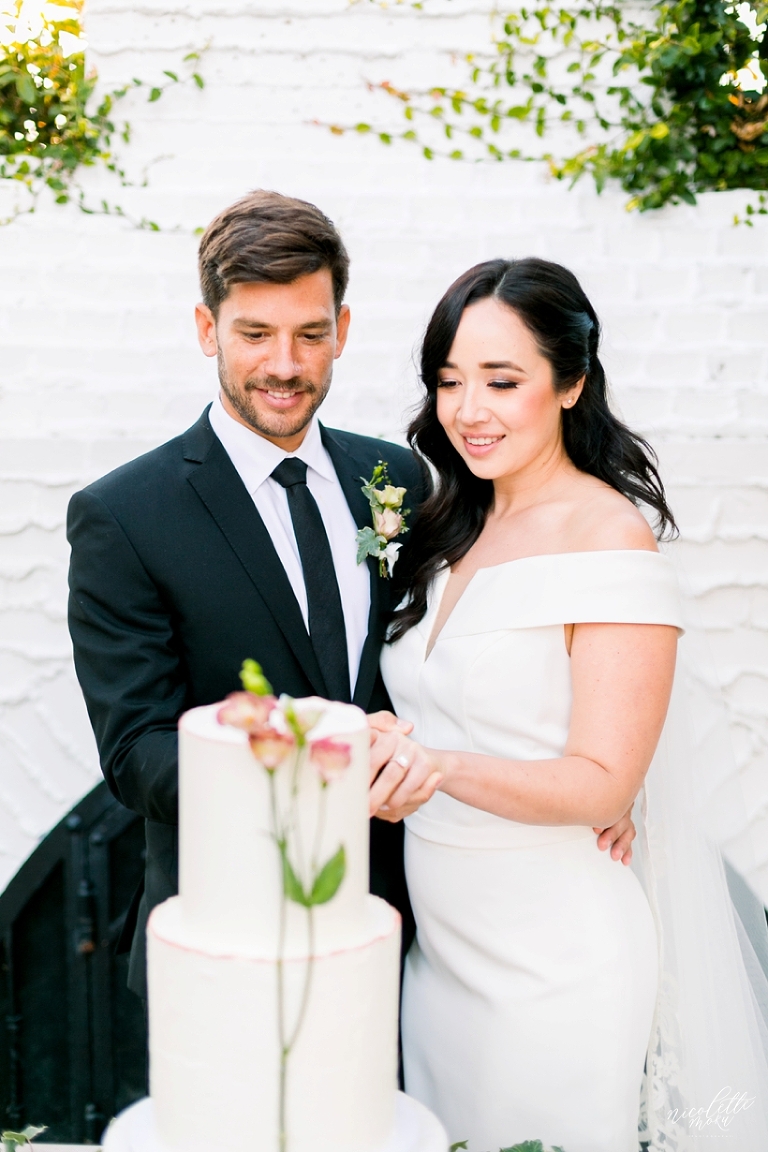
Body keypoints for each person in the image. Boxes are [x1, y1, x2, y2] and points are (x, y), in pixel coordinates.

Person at [67, 191, 635, 1005]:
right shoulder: (125, 516)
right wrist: (320, 759)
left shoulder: (400, 479)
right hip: (230, 938)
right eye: (255, 334)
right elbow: (137, 755)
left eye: (310, 333)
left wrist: (602, 780)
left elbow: (465, 663)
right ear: (207, 330)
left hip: (410, 930)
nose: (286, 365)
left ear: (343, 328)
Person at [368, 258, 768, 1151]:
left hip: (558, 954)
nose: (469, 410)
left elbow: (600, 782)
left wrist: (436, 766)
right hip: (440, 954)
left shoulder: (609, 538)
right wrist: (395, 736)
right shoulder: (446, 523)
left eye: (502, 382)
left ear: (572, 382)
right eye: (449, 381)